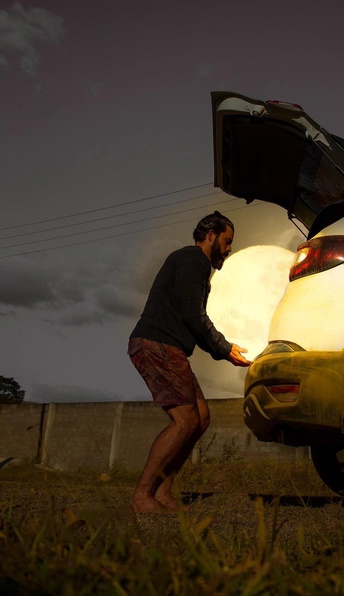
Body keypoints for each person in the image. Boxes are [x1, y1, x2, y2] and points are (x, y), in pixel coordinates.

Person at [127, 211, 251, 513]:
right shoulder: (194, 260)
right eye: (226, 241)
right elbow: (193, 316)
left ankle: (164, 493)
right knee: (185, 421)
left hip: (169, 346)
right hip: (158, 343)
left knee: (201, 418)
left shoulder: (194, 265)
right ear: (210, 236)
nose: (229, 249)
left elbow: (191, 316)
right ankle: (143, 496)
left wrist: (221, 349)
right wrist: (225, 348)